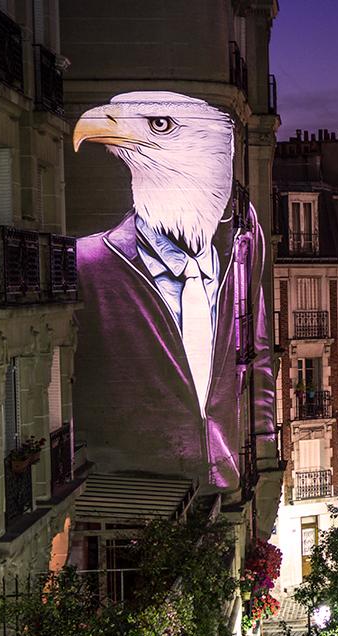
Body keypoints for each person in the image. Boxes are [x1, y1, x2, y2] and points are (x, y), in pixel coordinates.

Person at [71, 91, 273, 489]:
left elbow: (258, 355)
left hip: (226, 482)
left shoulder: (242, 249)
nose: (105, 121)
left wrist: (261, 446)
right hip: (132, 493)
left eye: (159, 125)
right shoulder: (87, 262)